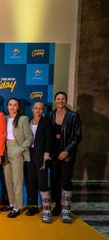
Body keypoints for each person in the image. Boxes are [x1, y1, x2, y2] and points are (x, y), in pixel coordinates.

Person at [48, 91, 82, 223]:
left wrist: (66, 151)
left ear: (65, 100)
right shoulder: (50, 115)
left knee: (65, 181)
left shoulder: (73, 116)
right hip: (54, 154)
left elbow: (77, 137)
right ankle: (57, 205)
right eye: (58, 99)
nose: (60, 101)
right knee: (55, 181)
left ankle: (66, 209)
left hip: (67, 154)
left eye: (63, 99)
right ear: (55, 100)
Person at [3, 98, 33, 218]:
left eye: (15, 105)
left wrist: (19, 150)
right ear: (7, 106)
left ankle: (17, 207)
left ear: (18, 107)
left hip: (16, 149)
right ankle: (11, 203)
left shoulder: (23, 119)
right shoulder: (4, 118)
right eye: (10, 105)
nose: (12, 107)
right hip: (5, 149)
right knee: (8, 179)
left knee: (17, 180)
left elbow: (29, 138)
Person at [26, 102, 53, 223]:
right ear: (32, 109)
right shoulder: (29, 121)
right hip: (29, 154)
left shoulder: (46, 122)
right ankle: (33, 206)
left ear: (43, 110)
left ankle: (47, 209)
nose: (38, 110)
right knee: (31, 180)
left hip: (41, 156)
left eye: (40, 108)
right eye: (36, 108)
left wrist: (46, 155)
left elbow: (49, 140)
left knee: (42, 181)